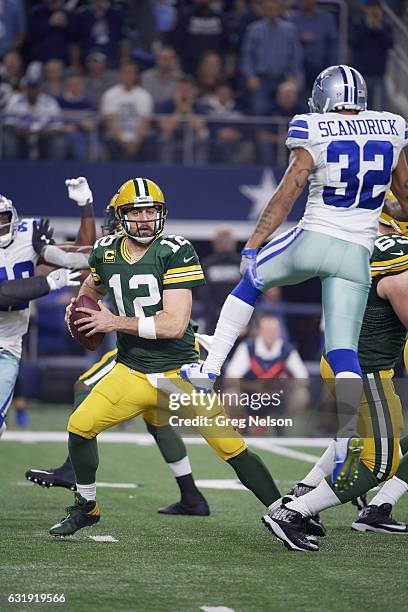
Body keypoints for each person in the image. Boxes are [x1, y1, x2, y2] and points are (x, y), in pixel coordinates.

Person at [180, 64, 408, 532]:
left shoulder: (314, 126)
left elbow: (289, 189)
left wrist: (253, 243)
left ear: (323, 96)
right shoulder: (392, 125)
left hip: (315, 238)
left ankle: (209, 368)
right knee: (342, 348)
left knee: (251, 280)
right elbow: (404, 190)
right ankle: (345, 434)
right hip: (356, 255)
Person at [49, 177, 281, 536]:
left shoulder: (175, 249)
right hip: (131, 370)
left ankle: (284, 512)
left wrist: (113, 321)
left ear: (161, 214)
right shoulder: (106, 250)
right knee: (80, 427)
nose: (144, 219)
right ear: (122, 216)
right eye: (136, 211)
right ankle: (87, 506)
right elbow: (93, 283)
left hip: (179, 373)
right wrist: (83, 308)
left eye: (150, 211)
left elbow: (174, 325)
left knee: (232, 448)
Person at [26, 191, 210, 517]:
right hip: (160, 346)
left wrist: (44, 249)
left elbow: (77, 257)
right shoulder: (124, 247)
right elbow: (85, 266)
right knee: (158, 422)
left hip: (157, 347)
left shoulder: (135, 247)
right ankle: (192, 496)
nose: (109, 229)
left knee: (86, 384)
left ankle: (72, 468)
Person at [269, 198, 408, 548]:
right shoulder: (395, 256)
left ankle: (301, 495)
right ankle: (296, 512)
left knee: (366, 439)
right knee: (380, 462)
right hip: (367, 369)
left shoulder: (354, 241)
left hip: (343, 358)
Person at [0, 181, 94, 437]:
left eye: (2, 218)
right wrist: (48, 283)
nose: (0, 225)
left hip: (7, 344)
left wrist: (86, 207)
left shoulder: (26, 236)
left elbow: (81, 256)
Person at [241, 0, 302, 115]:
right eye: (268, 9)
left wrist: (293, 74)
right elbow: (247, 55)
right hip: (261, 79)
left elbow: (296, 54)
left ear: (279, 9)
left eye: (274, 9)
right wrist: (250, 76)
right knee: (259, 109)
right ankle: (262, 133)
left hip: (283, 78)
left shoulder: (290, 29)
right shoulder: (254, 29)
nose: (271, 12)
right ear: (264, 10)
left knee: (288, 109)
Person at [3, 64, 65, 160]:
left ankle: (52, 170)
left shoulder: (49, 102)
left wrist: (39, 132)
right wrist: (26, 132)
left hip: (44, 136)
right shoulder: (15, 100)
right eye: (30, 87)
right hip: (20, 135)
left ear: (39, 88)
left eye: (35, 87)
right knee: (9, 139)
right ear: (25, 88)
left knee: (57, 141)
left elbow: (57, 127)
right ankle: (12, 169)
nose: (32, 91)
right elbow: (9, 125)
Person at [100, 61, 153, 161]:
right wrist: (121, 141)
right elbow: (109, 123)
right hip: (116, 137)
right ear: (120, 75)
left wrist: (135, 141)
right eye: (125, 72)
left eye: (131, 73)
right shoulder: (110, 95)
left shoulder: (144, 96)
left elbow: (145, 123)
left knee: (149, 142)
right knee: (110, 142)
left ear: (136, 75)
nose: (128, 76)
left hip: (138, 138)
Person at [350, 0, 393, 111]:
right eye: (371, 7)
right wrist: (367, 27)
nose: (373, 10)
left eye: (376, 7)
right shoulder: (357, 23)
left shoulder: (385, 25)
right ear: (365, 9)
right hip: (361, 75)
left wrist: (378, 29)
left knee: (379, 109)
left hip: (379, 74)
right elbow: (353, 41)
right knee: (361, 109)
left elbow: (389, 43)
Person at [288, 0, 338, 91]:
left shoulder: (327, 19)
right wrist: (300, 36)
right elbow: (286, 40)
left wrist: (332, 69)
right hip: (297, 68)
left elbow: (333, 44)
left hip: (320, 67)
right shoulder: (292, 18)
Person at [58, 69, 95, 161]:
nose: (75, 87)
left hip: (83, 133)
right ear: (67, 85)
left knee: (87, 142)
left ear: (82, 85)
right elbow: (53, 120)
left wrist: (91, 124)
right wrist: (62, 127)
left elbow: (93, 122)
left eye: (77, 84)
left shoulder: (88, 103)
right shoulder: (59, 101)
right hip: (61, 133)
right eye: (72, 84)